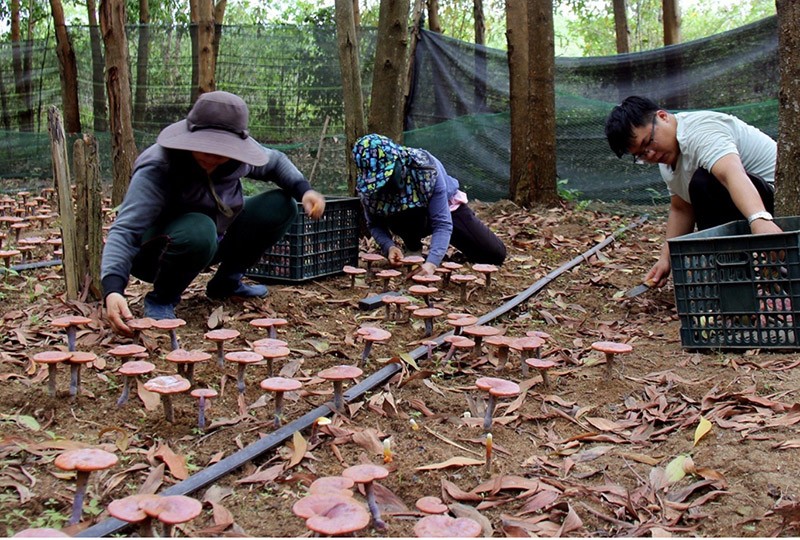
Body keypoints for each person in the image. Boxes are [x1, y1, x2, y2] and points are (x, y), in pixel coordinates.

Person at [102, 91, 326, 335]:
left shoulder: (236, 160)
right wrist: (113, 289)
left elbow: (275, 161)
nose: (213, 157)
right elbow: (126, 229)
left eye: (222, 151)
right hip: (157, 251)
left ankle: (226, 283)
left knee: (281, 205)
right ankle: (162, 298)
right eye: (206, 149)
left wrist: (304, 191)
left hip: (213, 239)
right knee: (199, 227)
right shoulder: (160, 165)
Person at [604, 95, 781, 287]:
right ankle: (734, 278)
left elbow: (731, 174)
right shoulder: (667, 158)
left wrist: (760, 220)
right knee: (698, 185)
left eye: (649, 142)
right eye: (641, 154)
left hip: (774, 205)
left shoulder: (700, 132)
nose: (650, 155)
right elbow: (681, 207)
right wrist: (666, 258)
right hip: (753, 208)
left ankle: (734, 278)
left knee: (704, 182)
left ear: (663, 117)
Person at [352, 133, 506, 276]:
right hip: (408, 220)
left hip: (446, 210)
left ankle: (448, 245)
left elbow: (442, 223)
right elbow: (374, 224)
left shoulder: (426, 168)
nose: (383, 183)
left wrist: (432, 263)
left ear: (398, 160)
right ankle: (412, 246)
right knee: (405, 213)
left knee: (494, 254)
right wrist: (389, 246)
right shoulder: (368, 190)